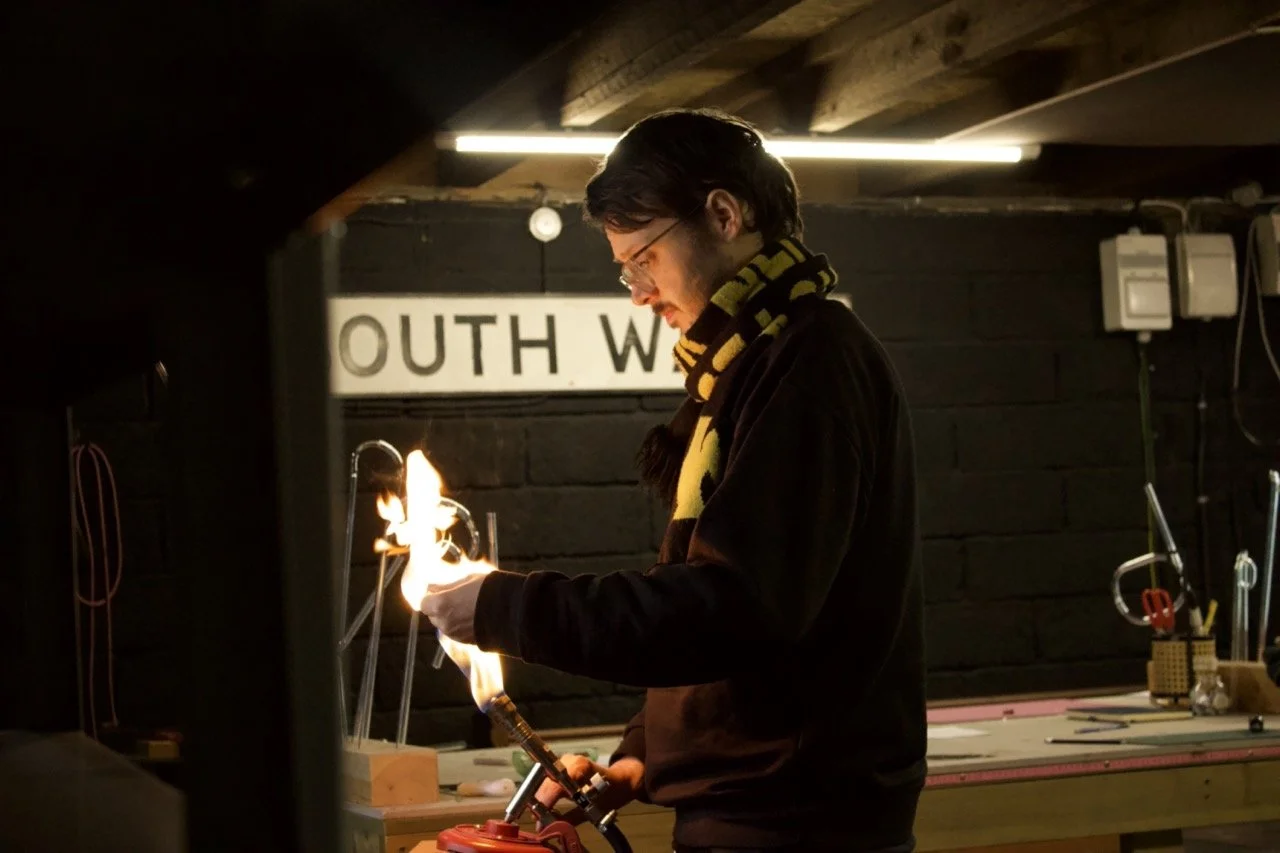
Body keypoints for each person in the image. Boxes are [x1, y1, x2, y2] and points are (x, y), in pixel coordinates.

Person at [422, 108, 926, 853]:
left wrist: (505, 605)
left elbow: (736, 609)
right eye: (625, 268)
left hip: (800, 829)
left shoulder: (812, 359)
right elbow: (717, 610)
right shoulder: (748, 362)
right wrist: (641, 756)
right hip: (757, 817)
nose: (638, 292)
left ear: (724, 214)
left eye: (645, 259)